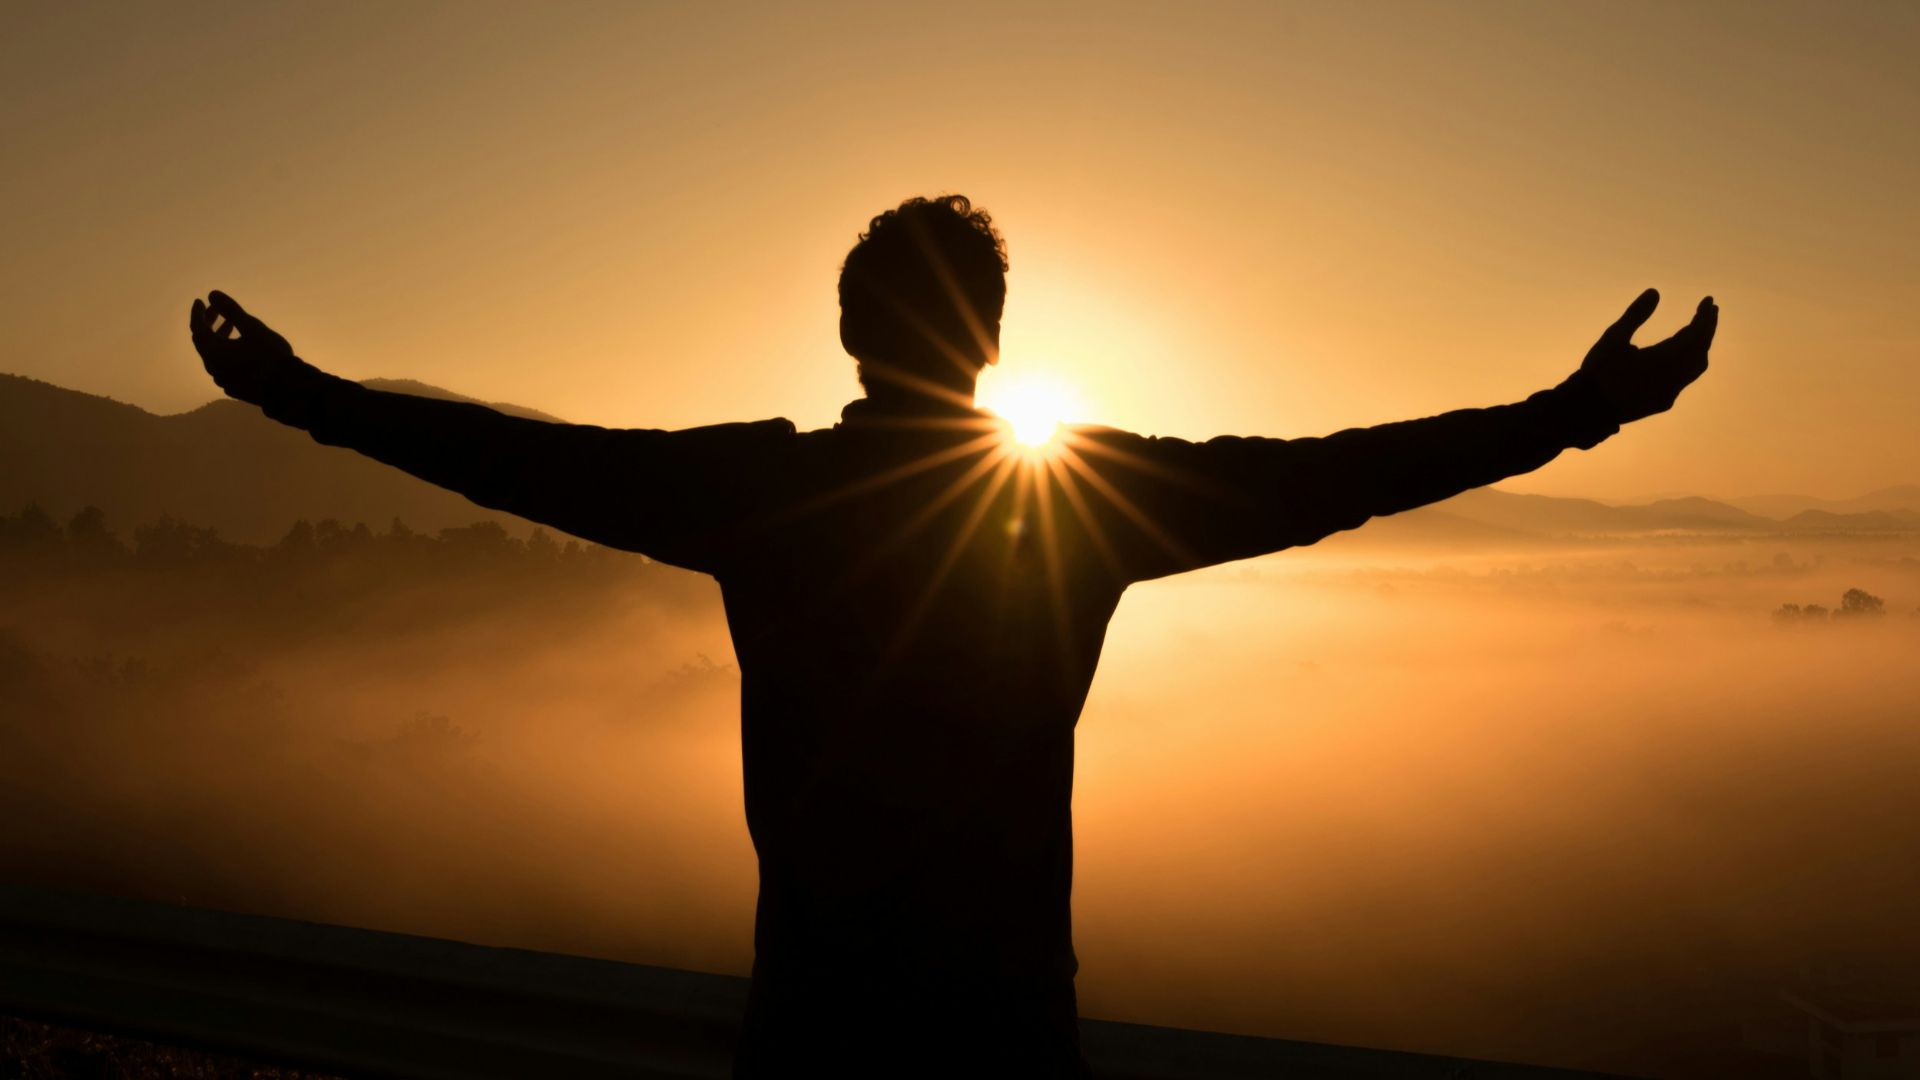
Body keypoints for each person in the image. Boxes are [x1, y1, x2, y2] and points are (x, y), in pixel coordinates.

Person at [189, 194, 1716, 1078]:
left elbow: (524, 459)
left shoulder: (764, 491)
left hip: (816, 1023)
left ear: (853, 333)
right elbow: (1336, 476)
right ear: (991, 340)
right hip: (1002, 1028)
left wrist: (301, 396)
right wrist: (1572, 416)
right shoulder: (1083, 505)